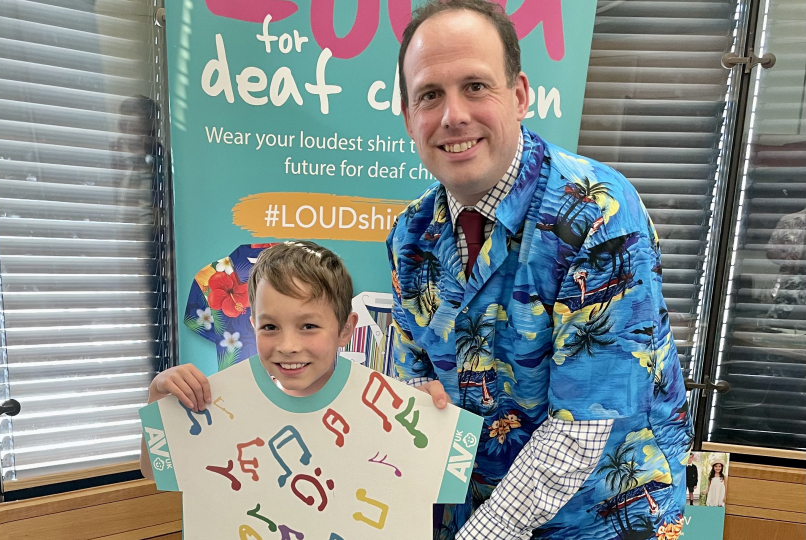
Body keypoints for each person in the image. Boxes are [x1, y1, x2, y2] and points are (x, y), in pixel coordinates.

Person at [386, 1, 694, 538]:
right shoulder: (409, 237)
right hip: (470, 511)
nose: (453, 115)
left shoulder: (599, 211)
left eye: (476, 86)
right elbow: (416, 385)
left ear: (520, 95)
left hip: (601, 516)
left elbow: (583, 429)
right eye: (430, 94)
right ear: (410, 116)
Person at [141, 241, 358, 478]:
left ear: (345, 330)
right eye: (270, 326)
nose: (287, 346)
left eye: (308, 326)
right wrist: (158, 395)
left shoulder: (374, 411)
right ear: (253, 327)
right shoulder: (225, 407)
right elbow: (155, 470)